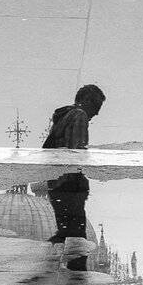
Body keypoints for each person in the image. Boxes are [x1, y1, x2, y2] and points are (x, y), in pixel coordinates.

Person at [42, 85, 105, 251]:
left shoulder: (63, 116)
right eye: (96, 107)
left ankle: (56, 263)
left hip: (56, 182)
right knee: (76, 237)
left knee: (65, 232)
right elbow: (77, 150)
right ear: (86, 101)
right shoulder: (79, 115)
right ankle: (75, 273)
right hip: (70, 182)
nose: (97, 113)